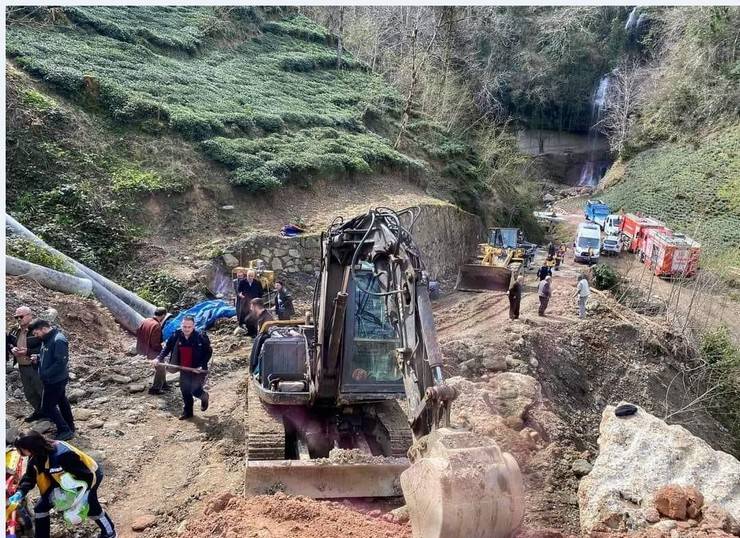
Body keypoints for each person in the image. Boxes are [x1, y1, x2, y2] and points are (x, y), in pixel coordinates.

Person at [10, 430, 116, 538]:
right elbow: (30, 477)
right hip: (62, 482)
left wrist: (80, 497)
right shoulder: (35, 456)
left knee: (91, 507)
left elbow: (87, 475)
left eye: (21, 450)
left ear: (31, 448)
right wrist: (21, 492)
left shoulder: (63, 454)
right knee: (41, 507)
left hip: (89, 478)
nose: (20, 453)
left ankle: (109, 532)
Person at [155, 316, 212, 420]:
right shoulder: (177, 334)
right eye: (184, 326)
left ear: (193, 326)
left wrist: (201, 365)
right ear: (181, 325)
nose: (186, 329)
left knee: (194, 390)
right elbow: (167, 347)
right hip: (184, 367)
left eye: (189, 327)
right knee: (185, 389)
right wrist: (158, 358)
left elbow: (208, 352)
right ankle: (188, 412)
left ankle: (204, 396)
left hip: (198, 368)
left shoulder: (200, 336)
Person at [28, 319, 75, 441]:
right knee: (62, 402)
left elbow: (60, 362)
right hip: (52, 379)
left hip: (55, 380)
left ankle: (64, 430)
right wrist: (37, 358)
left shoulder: (58, 340)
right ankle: (69, 426)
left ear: (44, 329)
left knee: (47, 407)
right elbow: (48, 356)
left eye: (36, 333)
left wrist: (45, 374)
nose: (36, 336)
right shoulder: (47, 339)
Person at [7, 306, 44, 422]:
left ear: (30, 316)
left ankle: (52, 415)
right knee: (29, 393)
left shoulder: (37, 330)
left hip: (36, 366)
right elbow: (8, 343)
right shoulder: (14, 330)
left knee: (42, 391)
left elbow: (44, 349)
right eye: (16, 317)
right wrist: (11, 349)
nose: (18, 319)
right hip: (22, 367)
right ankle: (39, 412)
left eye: (21, 317)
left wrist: (28, 352)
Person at [136, 307, 169, 395]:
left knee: (162, 366)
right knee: (160, 368)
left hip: (144, 348)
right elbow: (155, 343)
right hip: (152, 350)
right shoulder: (156, 325)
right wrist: (161, 352)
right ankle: (155, 389)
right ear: (163, 315)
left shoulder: (145, 320)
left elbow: (138, 331)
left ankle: (164, 384)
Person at [248, 298, 275, 373]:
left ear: (255, 306)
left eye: (251, 306)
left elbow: (268, 334)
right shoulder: (261, 316)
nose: (250, 308)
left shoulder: (267, 318)